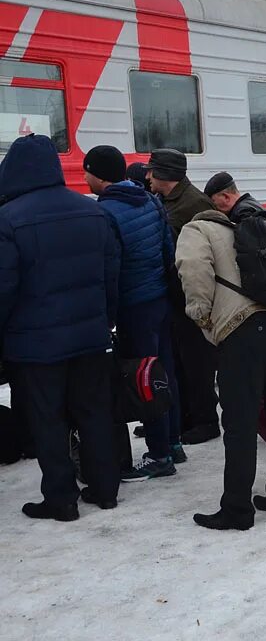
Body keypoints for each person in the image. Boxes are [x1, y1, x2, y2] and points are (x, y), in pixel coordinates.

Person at [0, 134, 121, 520]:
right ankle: (105, 489)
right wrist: (107, 319)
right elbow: (111, 276)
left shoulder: (8, 219)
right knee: (94, 412)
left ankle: (61, 499)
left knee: (47, 419)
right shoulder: (92, 211)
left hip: (36, 345)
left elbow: (4, 287)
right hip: (91, 336)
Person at [175, 208, 266, 531]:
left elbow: (192, 268)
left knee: (240, 422)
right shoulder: (248, 233)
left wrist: (201, 316)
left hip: (245, 329)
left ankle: (237, 508)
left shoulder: (197, 228)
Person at [84, 145, 184, 480]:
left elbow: (109, 272)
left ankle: (158, 455)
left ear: (98, 175)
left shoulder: (106, 213)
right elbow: (168, 250)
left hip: (133, 306)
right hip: (159, 299)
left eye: (87, 172)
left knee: (143, 379)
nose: (84, 178)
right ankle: (172, 443)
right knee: (164, 372)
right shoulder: (150, 200)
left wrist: (108, 315)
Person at [146, 149, 220, 445]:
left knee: (197, 361)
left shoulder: (195, 203)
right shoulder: (167, 201)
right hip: (176, 295)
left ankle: (206, 421)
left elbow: (207, 253)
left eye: (152, 171)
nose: (148, 176)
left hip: (193, 295)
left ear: (166, 174)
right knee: (179, 359)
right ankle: (185, 417)